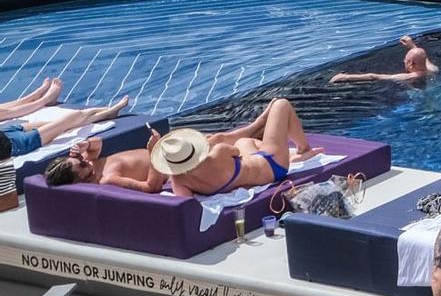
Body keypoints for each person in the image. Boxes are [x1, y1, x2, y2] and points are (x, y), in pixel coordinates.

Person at [45, 100, 312, 193]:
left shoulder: (180, 181)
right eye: (80, 165)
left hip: (180, 164)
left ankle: (258, 129)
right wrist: (153, 155)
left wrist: (89, 146)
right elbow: (150, 186)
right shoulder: (107, 179)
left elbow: (99, 144)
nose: (84, 161)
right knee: (222, 140)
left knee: (228, 140)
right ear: (77, 180)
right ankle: (293, 144)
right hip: (269, 166)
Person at [150, 96, 319, 198]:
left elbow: (186, 204)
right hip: (274, 167)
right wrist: (211, 144)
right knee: (281, 105)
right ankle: (303, 148)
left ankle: (261, 125)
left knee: (243, 142)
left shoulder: (179, 180)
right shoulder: (218, 153)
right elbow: (234, 152)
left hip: (250, 172)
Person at [0, 96, 134, 162]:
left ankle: (107, 112)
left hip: (7, 133)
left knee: (57, 123)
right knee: (69, 119)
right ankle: (107, 112)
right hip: (19, 144)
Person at [331, 34, 437, 85]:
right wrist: (412, 45)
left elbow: (375, 76)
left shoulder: (408, 76)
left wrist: (344, 77)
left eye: (405, 60)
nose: (404, 61)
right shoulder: (432, 70)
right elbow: (424, 57)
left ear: (410, 63)